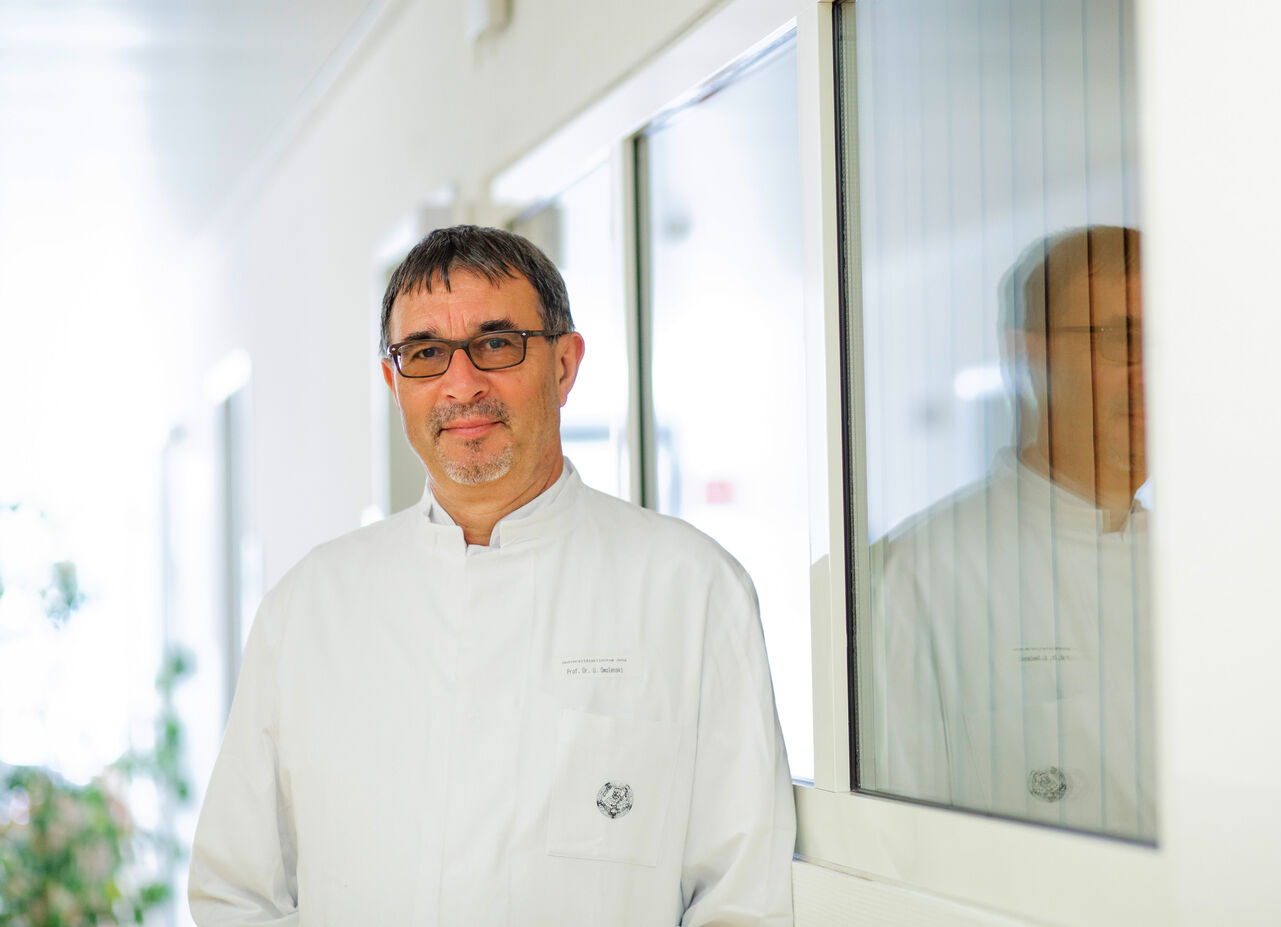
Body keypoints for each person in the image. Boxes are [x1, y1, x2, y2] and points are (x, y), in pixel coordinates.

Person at [188, 225, 795, 925]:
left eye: (497, 344)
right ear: (393, 381)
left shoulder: (692, 590)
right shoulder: (307, 611)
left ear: (564, 365)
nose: (461, 383)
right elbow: (236, 890)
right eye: (424, 353)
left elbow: (742, 896)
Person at [865, 225, 1154, 841]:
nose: (1149, 374)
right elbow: (903, 855)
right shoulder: (919, 573)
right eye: (1122, 339)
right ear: (1026, 356)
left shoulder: (1205, 570)